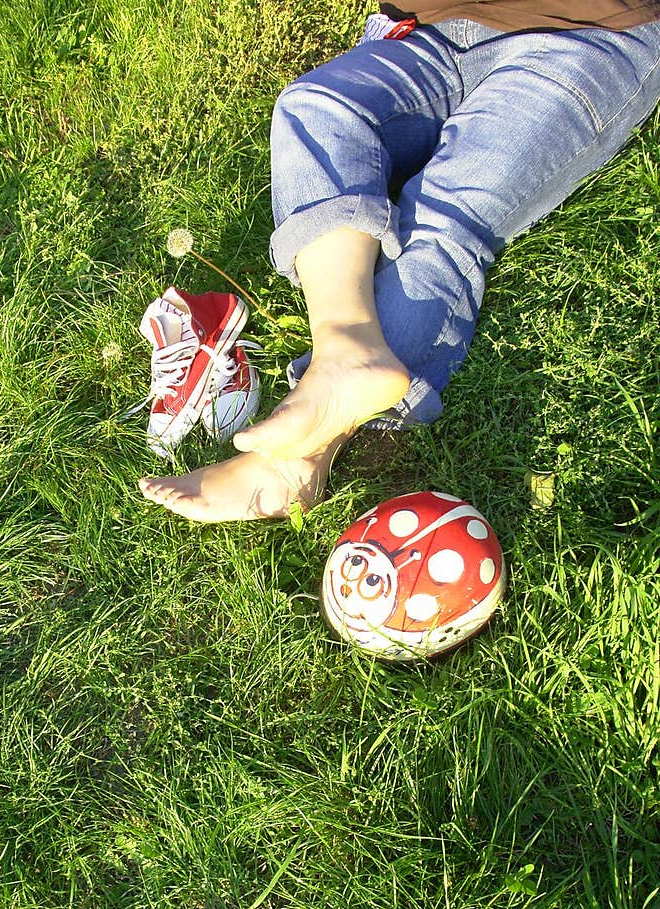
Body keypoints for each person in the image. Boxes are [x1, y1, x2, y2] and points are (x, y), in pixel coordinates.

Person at [138, 0, 660, 523]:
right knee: (318, 108)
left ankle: (298, 459)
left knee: (442, 218)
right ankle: (346, 346)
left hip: (589, 33)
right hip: (437, 29)